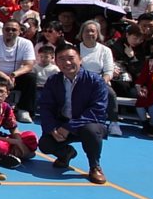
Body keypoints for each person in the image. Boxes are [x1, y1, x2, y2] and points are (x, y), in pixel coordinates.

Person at [37, 46, 111, 183]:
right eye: (61, 59)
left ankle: (95, 166)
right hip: (63, 122)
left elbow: (97, 109)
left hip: (87, 123)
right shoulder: (53, 81)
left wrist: (69, 127)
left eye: (71, 58)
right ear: (56, 62)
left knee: (91, 131)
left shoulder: (95, 80)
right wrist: (52, 128)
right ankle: (66, 154)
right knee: (45, 144)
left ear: (80, 59)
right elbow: (46, 107)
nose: (67, 63)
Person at [0, 17, 38, 118]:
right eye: (7, 29)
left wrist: (14, 74)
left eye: (14, 30)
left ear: (20, 31)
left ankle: (24, 109)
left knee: (31, 77)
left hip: (15, 77)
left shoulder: (26, 43)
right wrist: (4, 76)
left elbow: (29, 65)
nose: (10, 32)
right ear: (2, 30)